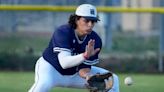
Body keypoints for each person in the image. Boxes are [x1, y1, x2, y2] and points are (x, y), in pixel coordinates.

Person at [28, 4, 119, 92]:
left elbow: (84, 68)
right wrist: (85, 55)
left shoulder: (95, 40)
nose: (90, 24)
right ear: (76, 19)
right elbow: (64, 63)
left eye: (93, 21)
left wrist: (88, 76)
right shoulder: (63, 32)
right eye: (86, 20)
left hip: (74, 73)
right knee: (43, 85)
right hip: (51, 69)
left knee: (112, 80)